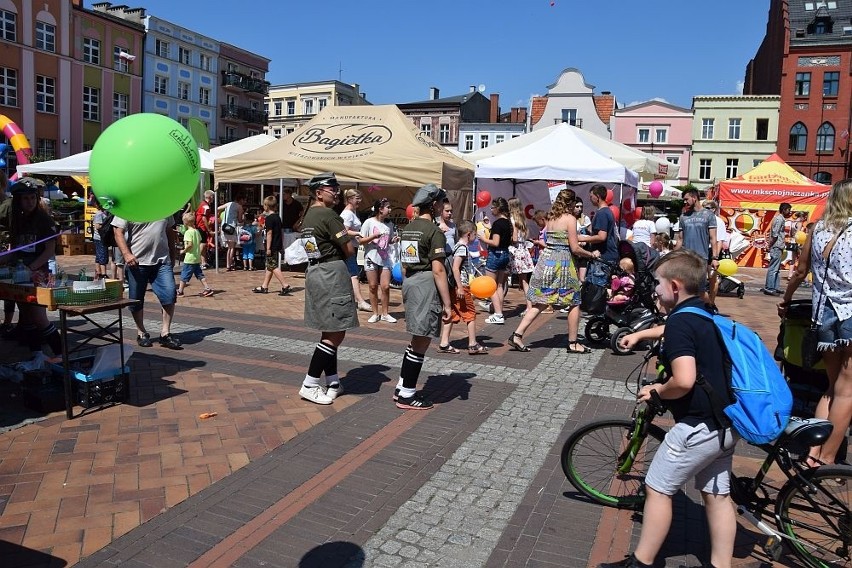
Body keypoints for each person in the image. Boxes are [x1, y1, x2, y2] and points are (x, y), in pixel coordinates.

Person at [602, 249, 738, 568]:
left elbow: (685, 379)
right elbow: (673, 330)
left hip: (696, 428)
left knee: (657, 488)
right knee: (717, 497)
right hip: (727, 424)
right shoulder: (704, 311)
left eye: (659, 284)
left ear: (675, 287)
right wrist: (640, 335)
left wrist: (657, 390)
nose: (655, 290)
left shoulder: (679, 323)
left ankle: (642, 562)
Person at [779, 180, 852, 467]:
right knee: (847, 391)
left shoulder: (817, 229)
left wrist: (786, 300)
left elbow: (799, 270)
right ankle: (825, 458)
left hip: (823, 316)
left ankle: (812, 452)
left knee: (832, 387)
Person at [507, 189, 598, 353]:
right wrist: (591, 254)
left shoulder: (552, 218)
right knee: (574, 301)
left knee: (541, 302)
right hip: (562, 263)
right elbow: (575, 247)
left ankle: (517, 335)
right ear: (570, 204)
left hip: (546, 261)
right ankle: (573, 343)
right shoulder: (570, 219)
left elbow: (553, 240)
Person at [298, 172, 357, 405]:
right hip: (331, 272)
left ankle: (333, 381)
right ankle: (310, 383)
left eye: (336, 187)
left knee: (329, 329)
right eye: (331, 188)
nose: (336, 191)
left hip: (315, 271)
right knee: (337, 331)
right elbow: (349, 250)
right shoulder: (329, 215)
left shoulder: (309, 215)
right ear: (318, 192)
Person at [394, 183, 453, 409]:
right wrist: (447, 304)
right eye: (441, 202)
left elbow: (404, 262)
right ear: (434, 204)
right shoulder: (434, 231)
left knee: (416, 338)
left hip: (410, 282)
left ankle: (402, 385)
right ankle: (407, 394)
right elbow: (438, 270)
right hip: (426, 284)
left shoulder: (408, 228)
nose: (442, 206)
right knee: (421, 340)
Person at [4, 177, 61, 354]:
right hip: (19, 273)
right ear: (18, 201)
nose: (30, 202)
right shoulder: (17, 220)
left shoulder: (44, 220)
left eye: (33, 198)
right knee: (27, 317)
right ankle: (36, 356)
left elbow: (49, 251)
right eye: (26, 199)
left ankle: (61, 356)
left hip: (38, 274)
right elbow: (15, 250)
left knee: (39, 318)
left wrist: (31, 268)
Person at [112, 213, 182, 349]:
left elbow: (169, 232)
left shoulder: (165, 206)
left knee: (169, 294)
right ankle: (141, 332)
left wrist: (173, 255)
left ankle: (165, 333)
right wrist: (126, 254)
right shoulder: (130, 205)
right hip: (136, 261)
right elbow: (117, 231)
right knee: (136, 298)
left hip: (162, 261)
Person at [437, 220, 488, 355]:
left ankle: (444, 343)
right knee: (470, 314)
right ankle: (472, 344)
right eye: (475, 234)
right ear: (468, 234)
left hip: (455, 286)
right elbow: (455, 268)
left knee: (452, 313)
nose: (476, 237)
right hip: (461, 286)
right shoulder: (462, 248)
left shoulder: (457, 246)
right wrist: (460, 287)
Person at [674, 188, 718, 304]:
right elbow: (680, 239)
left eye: (686, 199)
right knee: (685, 288)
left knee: (700, 291)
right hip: (686, 258)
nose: (684, 202)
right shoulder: (683, 217)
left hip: (701, 258)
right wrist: (672, 255)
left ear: (694, 198)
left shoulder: (708, 215)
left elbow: (713, 238)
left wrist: (715, 258)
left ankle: (711, 309)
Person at [360, 198, 398, 323]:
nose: (390, 209)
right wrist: (373, 236)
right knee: (372, 286)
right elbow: (360, 240)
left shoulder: (389, 224)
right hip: (371, 257)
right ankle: (375, 313)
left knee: (385, 286)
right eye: (388, 207)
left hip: (385, 258)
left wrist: (394, 240)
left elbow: (389, 240)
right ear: (380, 209)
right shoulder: (369, 222)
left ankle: (385, 313)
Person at [579, 185, 619, 297]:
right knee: (603, 288)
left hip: (604, 256)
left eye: (591, 196)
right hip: (607, 255)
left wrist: (583, 238)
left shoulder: (602, 213)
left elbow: (602, 236)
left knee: (599, 288)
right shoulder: (606, 212)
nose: (590, 199)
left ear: (597, 196)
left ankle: (600, 313)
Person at [478, 197, 512, 324]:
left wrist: (483, 238)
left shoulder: (498, 224)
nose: (491, 210)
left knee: (491, 286)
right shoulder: (508, 222)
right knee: (499, 285)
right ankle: (499, 311)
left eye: (492, 207)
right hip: (505, 254)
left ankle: (498, 314)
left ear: (498, 208)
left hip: (496, 254)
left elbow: (495, 242)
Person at [251, 195, 291, 296]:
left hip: (272, 245)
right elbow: (280, 232)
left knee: (272, 265)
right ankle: (264, 286)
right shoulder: (277, 217)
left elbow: (269, 234)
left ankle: (285, 284)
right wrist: (281, 245)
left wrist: (268, 248)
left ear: (267, 206)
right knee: (269, 265)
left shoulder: (269, 219)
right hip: (277, 244)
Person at [340, 188, 371, 311]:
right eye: (357, 198)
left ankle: (353, 299)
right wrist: (359, 233)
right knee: (354, 274)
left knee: (352, 273)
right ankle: (360, 301)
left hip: (353, 247)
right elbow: (344, 231)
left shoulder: (352, 212)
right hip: (349, 248)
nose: (360, 201)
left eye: (360, 198)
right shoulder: (347, 214)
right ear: (349, 199)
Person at [177, 212, 214, 298]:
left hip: (189, 258)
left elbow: (190, 245)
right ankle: (207, 288)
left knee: (184, 275)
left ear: (185, 223)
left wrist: (183, 251)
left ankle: (180, 291)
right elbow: (199, 241)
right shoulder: (196, 232)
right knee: (200, 274)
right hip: (197, 258)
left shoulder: (188, 233)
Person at [508, 197, 535, 315]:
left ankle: (529, 306)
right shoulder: (522, 219)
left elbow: (514, 238)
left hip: (516, 250)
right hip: (523, 249)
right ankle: (529, 305)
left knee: (523, 280)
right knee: (523, 280)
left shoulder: (512, 220)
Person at [761, 202, 792, 295]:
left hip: (779, 245)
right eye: (788, 210)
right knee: (773, 268)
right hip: (776, 246)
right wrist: (770, 244)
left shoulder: (781, 219)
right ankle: (769, 287)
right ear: (784, 210)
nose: (789, 212)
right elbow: (775, 233)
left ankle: (775, 286)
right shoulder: (779, 219)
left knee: (777, 268)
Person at [703, 200, 729, 305]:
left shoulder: (719, 221)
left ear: (713, 209)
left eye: (707, 208)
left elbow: (719, 240)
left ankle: (711, 302)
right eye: (703, 207)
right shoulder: (702, 220)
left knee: (712, 278)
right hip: (702, 250)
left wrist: (715, 257)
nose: (705, 210)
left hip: (712, 252)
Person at [218, 194, 245, 271]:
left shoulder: (228, 204)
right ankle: (230, 265)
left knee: (228, 248)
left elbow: (218, 208)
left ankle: (228, 264)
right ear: (240, 200)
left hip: (224, 226)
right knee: (232, 247)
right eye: (243, 200)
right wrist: (243, 219)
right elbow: (240, 220)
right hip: (232, 228)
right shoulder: (239, 207)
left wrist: (219, 215)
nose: (244, 202)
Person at [195, 190, 215, 268]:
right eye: (213, 196)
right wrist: (209, 230)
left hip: (201, 226)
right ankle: (197, 261)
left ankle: (203, 262)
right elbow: (203, 218)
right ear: (210, 197)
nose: (213, 198)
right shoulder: (205, 206)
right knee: (202, 244)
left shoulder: (204, 204)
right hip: (201, 227)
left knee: (203, 244)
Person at [91, 198, 109, 279]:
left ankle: (98, 272)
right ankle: (103, 274)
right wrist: (106, 226)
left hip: (101, 237)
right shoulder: (99, 214)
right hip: (100, 238)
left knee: (99, 255)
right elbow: (98, 226)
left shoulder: (103, 213)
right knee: (102, 254)